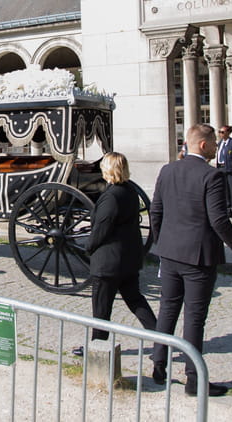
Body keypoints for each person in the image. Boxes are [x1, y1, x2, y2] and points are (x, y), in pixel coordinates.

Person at [150, 123, 232, 397]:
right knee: (194, 318)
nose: (216, 147)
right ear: (203, 145)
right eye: (213, 142)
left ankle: (158, 366)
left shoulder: (167, 170)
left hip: (170, 252)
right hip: (198, 257)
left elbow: (156, 211)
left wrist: (161, 242)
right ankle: (193, 379)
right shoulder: (212, 176)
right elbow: (219, 221)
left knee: (167, 309)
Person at [73, 152, 156, 357]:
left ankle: (97, 348)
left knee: (101, 308)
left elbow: (102, 228)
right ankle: (162, 338)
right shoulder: (129, 190)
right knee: (136, 300)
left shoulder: (111, 196)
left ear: (108, 170)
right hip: (128, 257)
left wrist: (88, 247)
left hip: (108, 261)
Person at [215, 125, 232, 220]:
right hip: (221, 169)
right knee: (225, 191)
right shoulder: (220, 144)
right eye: (219, 132)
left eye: (222, 132)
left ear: (228, 132)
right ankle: (228, 211)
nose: (220, 134)